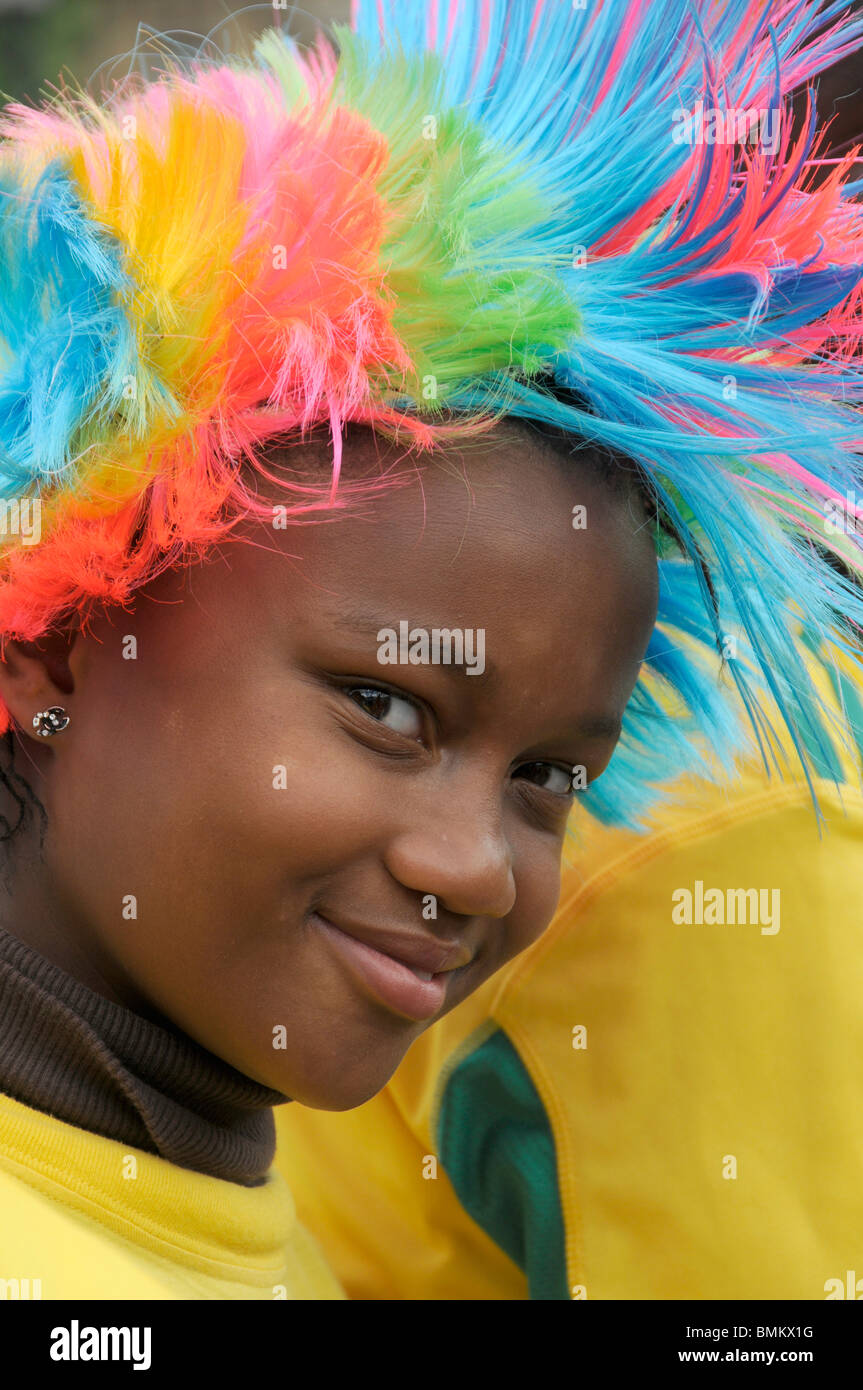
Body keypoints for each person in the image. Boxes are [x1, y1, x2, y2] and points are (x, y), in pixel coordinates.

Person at [1, 0, 862, 1300]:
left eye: (550, 778)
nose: (473, 870)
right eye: (388, 708)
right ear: (66, 637)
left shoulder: (231, 1223)